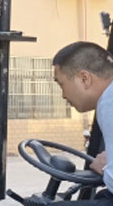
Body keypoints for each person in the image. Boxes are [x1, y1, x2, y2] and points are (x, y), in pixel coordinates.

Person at [53, 42, 113, 205]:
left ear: (84, 78)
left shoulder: (109, 101)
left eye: (61, 84)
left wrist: (106, 169)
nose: (63, 95)